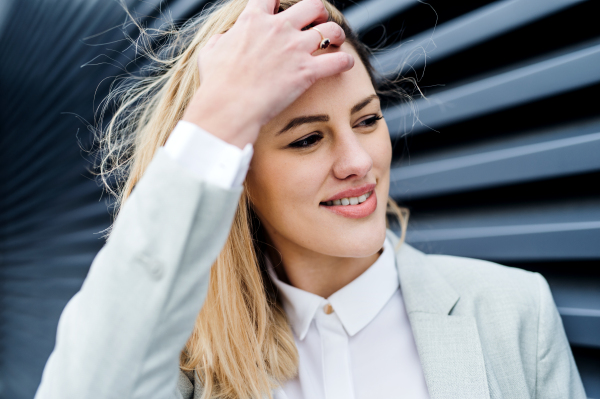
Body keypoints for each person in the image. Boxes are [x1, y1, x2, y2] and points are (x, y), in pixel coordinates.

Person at [35, 0, 587, 398]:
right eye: (306, 138)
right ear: (239, 171)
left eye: (367, 120)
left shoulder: (513, 311)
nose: (357, 161)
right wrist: (219, 116)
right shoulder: (184, 365)